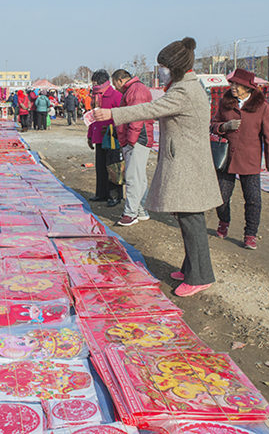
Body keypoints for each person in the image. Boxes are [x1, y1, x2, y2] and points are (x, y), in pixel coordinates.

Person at [94, 38, 221, 296]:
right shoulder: (184, 85)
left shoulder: (184, 91)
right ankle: (190, 268)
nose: (160, 71)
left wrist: (112, 114)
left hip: (188, 163)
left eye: (163, 66)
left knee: (191, 219)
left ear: (173, 66)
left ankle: (200, 276)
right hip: (185, 160)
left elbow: (151, 108)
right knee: (187, 217)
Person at [210, 68, 269, 250]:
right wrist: (224, 126)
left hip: (250, 159)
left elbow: (268, 136)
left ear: (247, 88)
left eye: (237, 84)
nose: (232, 87)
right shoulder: (225, 103)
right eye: (232, 83)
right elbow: (213, 124)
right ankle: (224, 221)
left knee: (253, 198)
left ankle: (250, 234)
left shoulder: (261, 106)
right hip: (227, 159)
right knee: (221, 197)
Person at [111, 69, 154, 227]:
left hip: (137, 139)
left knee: (132, 178)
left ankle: (130, 213)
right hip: (137, 139)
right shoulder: (134, 89)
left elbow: (136, 117)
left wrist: (130, 141)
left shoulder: (136, 90)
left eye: (114, 83)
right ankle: (141, 210)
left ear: (120, 80)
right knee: (139, 177)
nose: (115, 87)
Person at [87, 69, 123, 207]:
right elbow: (92, 117)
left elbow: (122, 116)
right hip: (98, 137)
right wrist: (90, 136)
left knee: (113, 167)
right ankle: (101, 194)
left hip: (112, 137)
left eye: (96, 83)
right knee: (100, 167)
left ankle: (115, 196)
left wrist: (112, 127)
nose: (94, 86)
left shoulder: (116, 96)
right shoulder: (95, 98)